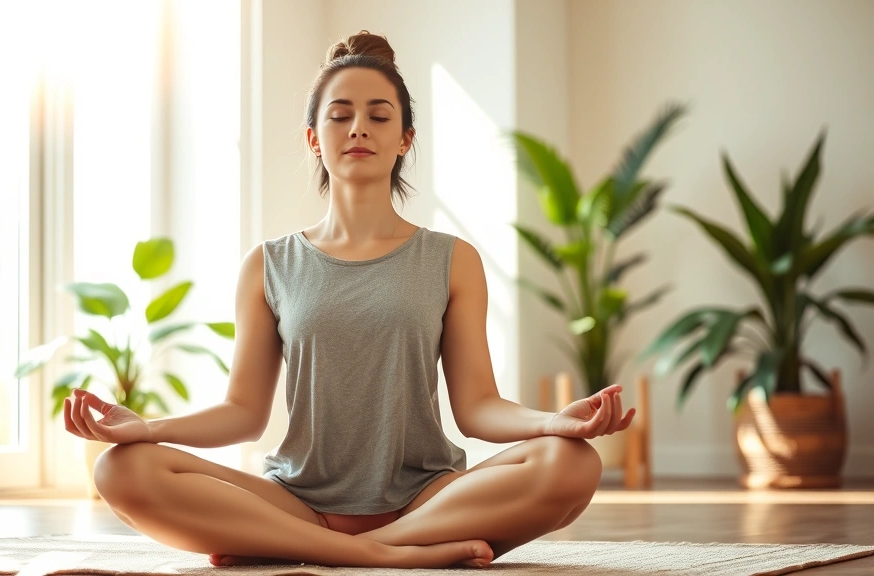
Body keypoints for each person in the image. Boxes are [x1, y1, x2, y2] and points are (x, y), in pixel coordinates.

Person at [63, 30, 634, 570]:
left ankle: (316, 551)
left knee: (570, 463)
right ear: (314, 138)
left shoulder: (452, 259)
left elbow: (478, 406)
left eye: (379, 116)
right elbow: (242, 413)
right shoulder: (268, 264)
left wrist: (552, 422)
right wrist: (148, 429)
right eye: (339, 116)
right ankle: (382, 556)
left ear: (405, 138)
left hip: (427, 501)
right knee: (120, 469)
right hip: (297, 500)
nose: (359, 128)